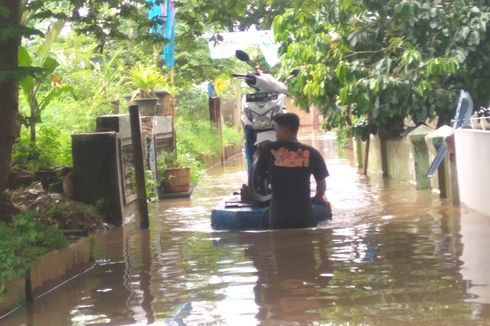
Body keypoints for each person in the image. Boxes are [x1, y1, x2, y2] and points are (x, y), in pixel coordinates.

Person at [255, 113, 330, 229]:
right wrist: (319, 197)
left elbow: (257, 177)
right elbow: (321, 184)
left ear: (285, 130)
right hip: (304, 216)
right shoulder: (312, 153)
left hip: (278, 217)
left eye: (277, 129)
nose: (275, 134)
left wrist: (256, 159)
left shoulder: (268, 150)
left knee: (279, 244)